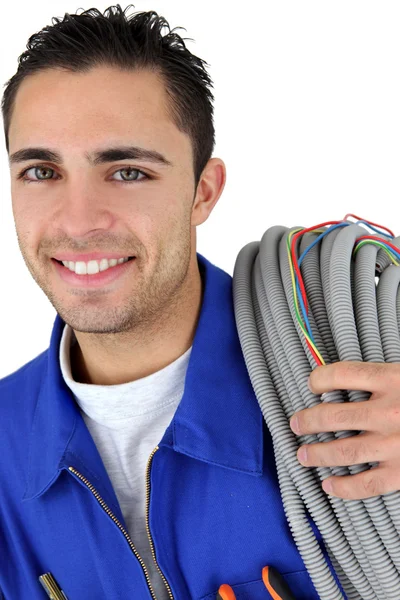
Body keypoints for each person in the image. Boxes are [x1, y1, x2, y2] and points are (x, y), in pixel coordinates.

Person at [2, 5, 400, 599]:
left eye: (128, 172)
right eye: (40, 171)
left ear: (203, 192)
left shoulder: (367, 373)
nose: (78, 222)